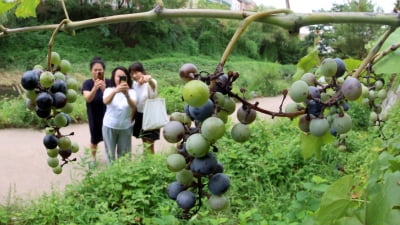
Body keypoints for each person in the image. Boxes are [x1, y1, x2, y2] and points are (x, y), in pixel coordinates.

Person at [102, 66, 136, 165]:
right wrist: (115, 91)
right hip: (109, 126)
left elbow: (133, 105)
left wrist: (126, 95)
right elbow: (106, 101)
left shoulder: (132, 92)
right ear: (113, 78)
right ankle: (111, 175)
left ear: (127, 78)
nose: (120, 78)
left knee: (125, 155)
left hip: (125, 127)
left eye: (123, 76)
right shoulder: (109, 90)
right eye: (118, 76)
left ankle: (123, 176)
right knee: (110, 154)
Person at [82, 57, 111, 160]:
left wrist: (104, 89)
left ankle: (110, 159)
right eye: (95, 70)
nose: (98, 72)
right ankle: (93, 158)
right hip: (94, 115)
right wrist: (95, 88)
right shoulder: (87, 83)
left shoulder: (109, 82)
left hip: (108, 115)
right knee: (94, 139)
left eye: (100, 70)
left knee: (109, 138)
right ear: (91, 71)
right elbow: (88, 98)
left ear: (104, 71)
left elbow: (112, 99)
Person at [128, 62, 159, 154]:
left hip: (150, 116)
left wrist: (149, 80)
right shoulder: (134, 85)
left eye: (136, 72)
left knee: (149, 143)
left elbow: (153, 86)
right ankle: (147, 162)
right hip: (139, 115)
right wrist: (131, 119)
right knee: (144, 142)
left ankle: (151, 164)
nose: (134, 75)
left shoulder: (151, 82)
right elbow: (135, 104)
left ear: (142, 72)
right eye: (132, 74)